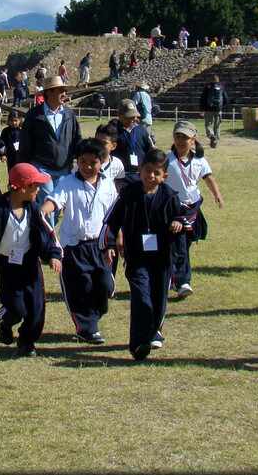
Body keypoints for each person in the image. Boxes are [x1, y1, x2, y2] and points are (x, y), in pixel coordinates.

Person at [99, 149, 191, 359]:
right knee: (141, 297)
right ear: (139, 170)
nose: (151, 176)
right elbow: (110, 221)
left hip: (163, 258)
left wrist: (178, 222)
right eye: (147, 171)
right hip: (137, 256)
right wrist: (108, 245)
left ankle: (154, 332)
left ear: (164, 176)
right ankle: (139, 343)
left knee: (159, 297)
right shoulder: (128, 195)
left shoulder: (170, 196)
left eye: (156, 173)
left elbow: (188, 215)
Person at [0, 163, 62, 357]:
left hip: (30, 263)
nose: (39, 190)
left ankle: (26, 341)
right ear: (22, 188)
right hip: (6, 264)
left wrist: (53, 255)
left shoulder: (34, 209)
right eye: (35, 186)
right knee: (16, 308)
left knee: (36, 307)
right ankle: (4, 318)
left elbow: (48, 233)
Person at [42, 138, 118, 344]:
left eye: (92, 162)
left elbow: (115, 215)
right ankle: (86, 328)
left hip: (101, 246)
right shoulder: (69, 182)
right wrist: (43, 211)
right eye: (82, 161)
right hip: (74, 246)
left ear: (101, 162)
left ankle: (96, 313)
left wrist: (116, 241)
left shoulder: (108, 185)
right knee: (80, 289)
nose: (87, 167)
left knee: (104, 287)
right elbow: (54, 200)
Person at [164, 121, 225, 298]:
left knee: (186, 243)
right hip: (176, 208)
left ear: (193, 140)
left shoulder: (199, 160)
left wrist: (217, 194)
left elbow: (208, 178)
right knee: (180, 244)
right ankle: (182, 281)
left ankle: (173, 276)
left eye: (185, 137)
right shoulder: (168, 160)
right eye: (177, 136)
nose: (180, 141)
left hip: (193, 207)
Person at [18, 76, 83, 228]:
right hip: (42, 167)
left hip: (64, 169)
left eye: (64, 91)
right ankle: (49, 243)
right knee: (47, 203)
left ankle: (46, 234)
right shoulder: (34, 115)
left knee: (57, 207)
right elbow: (26, 143)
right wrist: (21, 168)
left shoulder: (69, 114)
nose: (64, 94)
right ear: (49, 93)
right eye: (61, 91)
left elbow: (77, 139)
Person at [108, 99, 154, 188]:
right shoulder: (113, 132)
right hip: (120, 176)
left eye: (134, 116)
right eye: (128, 117)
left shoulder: (142, 131)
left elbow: (149, 152)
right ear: (119, 115)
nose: (132, 120)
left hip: (139, 175)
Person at [199, 74, 229, 149]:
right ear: (218, 80)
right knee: (217, 125)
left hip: (209, 108)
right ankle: (215, 143)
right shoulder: (221, 87)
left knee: (208, 124)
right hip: (218, 109)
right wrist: (223, 107)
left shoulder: (208, 87)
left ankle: (211, 135)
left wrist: (202, 109)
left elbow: (203, 98)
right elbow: (225, 98)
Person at [94, 123, 126, 192]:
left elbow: (119, 182)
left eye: (104, 143)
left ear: (113, 146)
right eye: (97, 142)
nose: (99, 146)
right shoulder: (85, 162)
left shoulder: (117, 164)